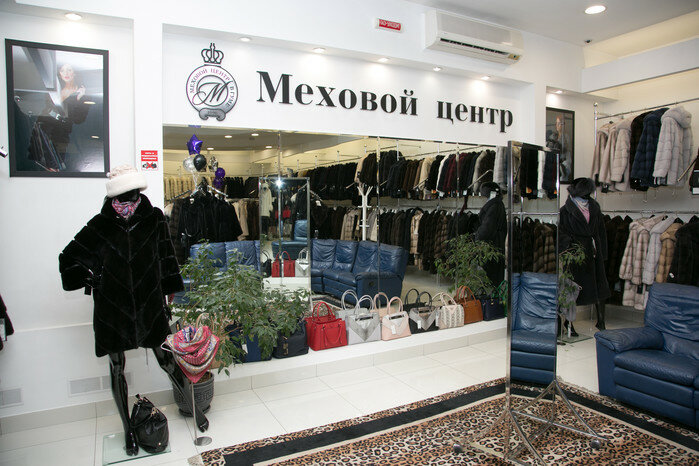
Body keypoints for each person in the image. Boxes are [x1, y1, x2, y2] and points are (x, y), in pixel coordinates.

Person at [59, 166, 209, 456]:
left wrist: (168, 299)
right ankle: (128, 428)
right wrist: (90, 276)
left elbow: (167, 259)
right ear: (115, 195)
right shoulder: (100, 225)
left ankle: (195, 409)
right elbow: (68, 259)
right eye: (125, 194)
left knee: (167, 361)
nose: (131, 198)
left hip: (149, 304)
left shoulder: (154, 219)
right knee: (117, 368)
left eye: (134, 193)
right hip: (112, 310)